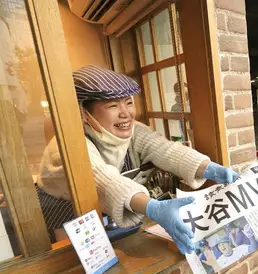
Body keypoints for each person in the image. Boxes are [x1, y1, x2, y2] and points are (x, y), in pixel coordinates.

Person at [36, 65, 238, 254]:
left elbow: (165, 149)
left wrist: (209, 168)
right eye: (113, 105)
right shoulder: (68, 144)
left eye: (129, 103)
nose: (126, 114)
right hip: (64, 207)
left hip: (109, 204)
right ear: (84, 112)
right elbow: (105, 179)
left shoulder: (133, 131)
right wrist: (152, 208)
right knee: (75, 261)